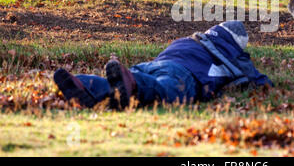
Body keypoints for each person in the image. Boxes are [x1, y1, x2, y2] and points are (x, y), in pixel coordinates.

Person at [54, 21, 273, 109]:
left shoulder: (190, 40)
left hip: (152, 64)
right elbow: (261, 81)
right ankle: (133, 84)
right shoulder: (232, 53)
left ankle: (83, 83)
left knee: (116, 86)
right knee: (164, 89)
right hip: (182, 75)